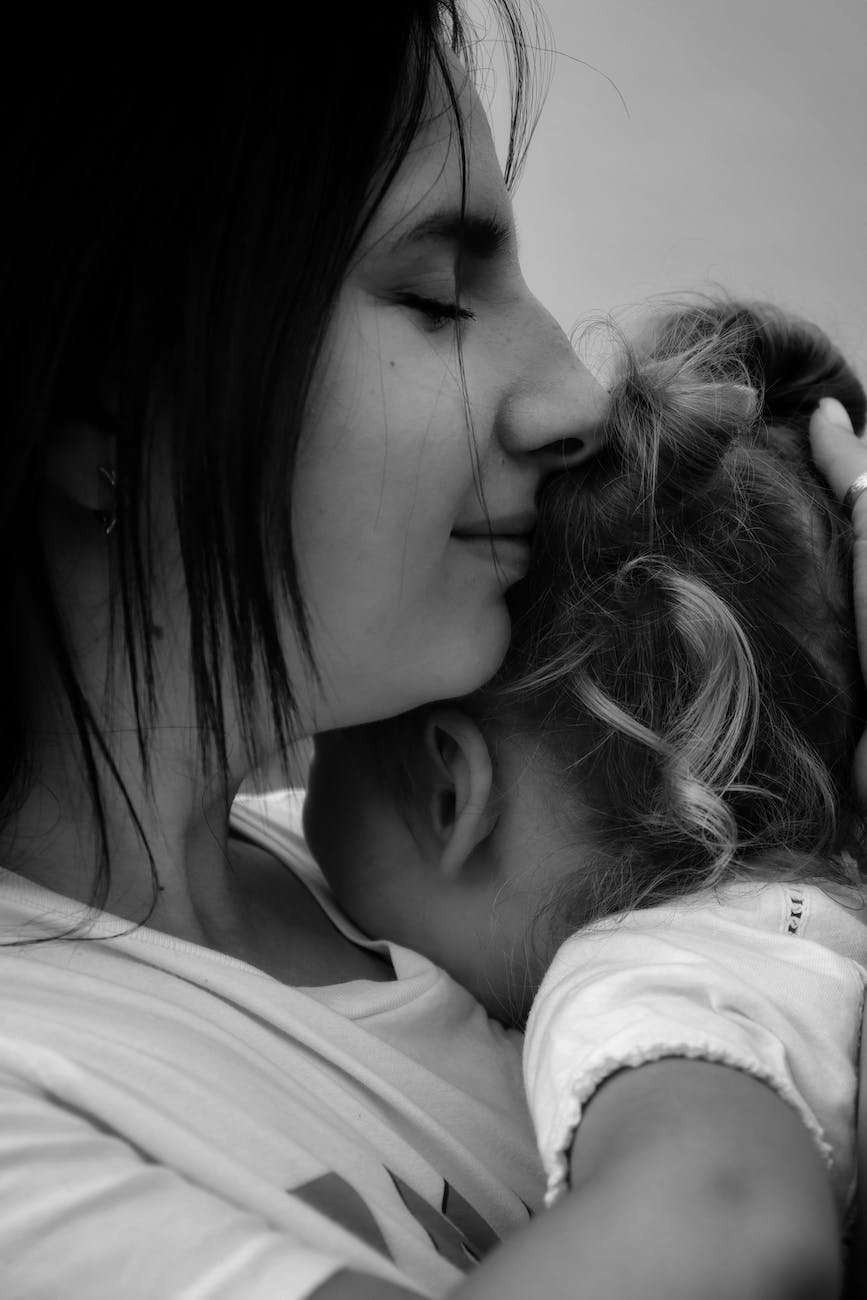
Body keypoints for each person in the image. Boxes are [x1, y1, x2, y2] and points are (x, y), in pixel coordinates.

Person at [0, 6, 864, 1298]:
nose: (575, 396)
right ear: (106, 401)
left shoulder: (426, 876)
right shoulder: (36, 1107)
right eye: (432, 299)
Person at [303, 298, 867, 1299]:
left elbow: (725, 1224)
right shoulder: (797, 916)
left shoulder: (649, 973)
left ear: (449, 788)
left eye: (323, 742)